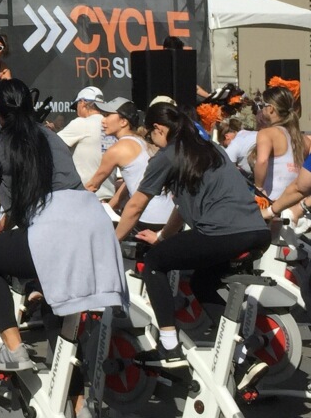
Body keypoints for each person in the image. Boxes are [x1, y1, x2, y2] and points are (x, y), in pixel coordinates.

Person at [0, 79, 126, 374]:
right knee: (54, 304)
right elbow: (37, 187)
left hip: (55, 229)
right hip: (93, 222)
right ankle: (77, 404)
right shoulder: (50, 137)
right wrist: (5, 222)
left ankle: (14, 348)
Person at [113, 101, 270, 384]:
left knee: (154, 262)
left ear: (158, 129)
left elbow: (135, 205)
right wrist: (162, 237)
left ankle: (169, 347)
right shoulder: (210, 149)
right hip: (257, 232)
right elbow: (182, 208)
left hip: (222, 233)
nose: (152, 142)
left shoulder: (169, 155)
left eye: (151, 136)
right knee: (202, 282)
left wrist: (112, 242)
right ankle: (243, 356)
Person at [86, 98, 171, 228]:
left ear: (124, 122)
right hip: (168, 218)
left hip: (147, 218)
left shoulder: (118, 149)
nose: (103, 120)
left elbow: (92, 186)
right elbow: (131, 181)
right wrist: (110, 206)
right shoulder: (142, 141)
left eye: (107, 115)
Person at [253, 86, 309, 202]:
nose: (261, 110)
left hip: (273, 201)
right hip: (297, 204)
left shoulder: (267, 134)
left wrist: (258, 189)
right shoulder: (304, 140)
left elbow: (262, 161)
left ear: (271, 109)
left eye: (263, 106)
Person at [58, 86, 114, 201]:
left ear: (82, 103)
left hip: (87, 197)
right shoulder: (110, 127)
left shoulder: (81, 123)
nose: (76, 112)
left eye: (76, 106)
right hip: (110, 198)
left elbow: (52, 145)